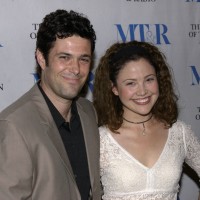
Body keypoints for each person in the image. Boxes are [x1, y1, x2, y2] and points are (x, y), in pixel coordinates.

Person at [0, 9, 101, 200]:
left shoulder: (89, 112)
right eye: (64, 57)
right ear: (41, 58)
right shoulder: (13, 125)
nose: (76, 69)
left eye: (84, 59)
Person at [93, 40, 200, 200]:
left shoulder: (180, 133)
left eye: (149, 79)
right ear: (114, 88)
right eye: (131, 83)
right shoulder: (99, 139)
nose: (142, 91)